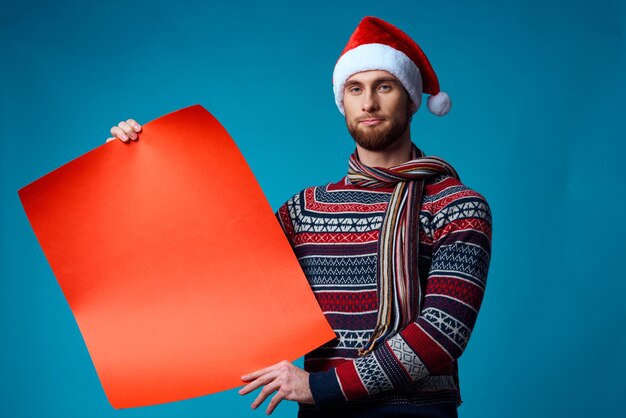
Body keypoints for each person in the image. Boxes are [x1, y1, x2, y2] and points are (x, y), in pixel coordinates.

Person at [107, 16, 492, 418]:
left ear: (411, 99)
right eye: (355, 88)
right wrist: (134, 168)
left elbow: (442, 333)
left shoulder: (456, 205)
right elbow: (217, 275)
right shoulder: (304, 210)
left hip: (415, 412)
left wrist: (319, 386)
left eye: (385, 86)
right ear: (343, 101)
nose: (369, 103)